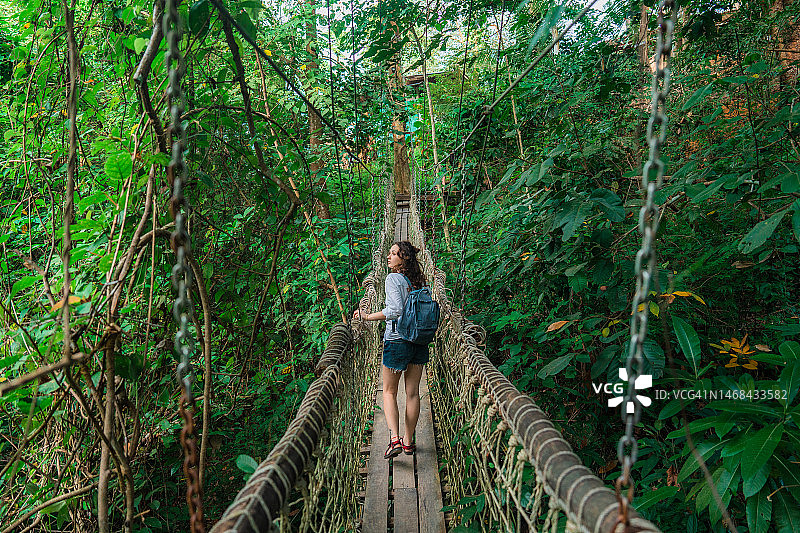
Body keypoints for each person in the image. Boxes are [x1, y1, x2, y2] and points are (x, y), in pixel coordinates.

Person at [353, 241, 428, 459]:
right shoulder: (420, 280)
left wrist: (367, 316)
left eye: (394, 254)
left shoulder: (392, 278)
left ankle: (394, 439)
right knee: (412, 393)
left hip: (397, 341)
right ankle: (408, 442)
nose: (388, 256)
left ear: (403, 259)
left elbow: (394, 310)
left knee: (389, 392)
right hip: (419, 341)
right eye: (390, 253)